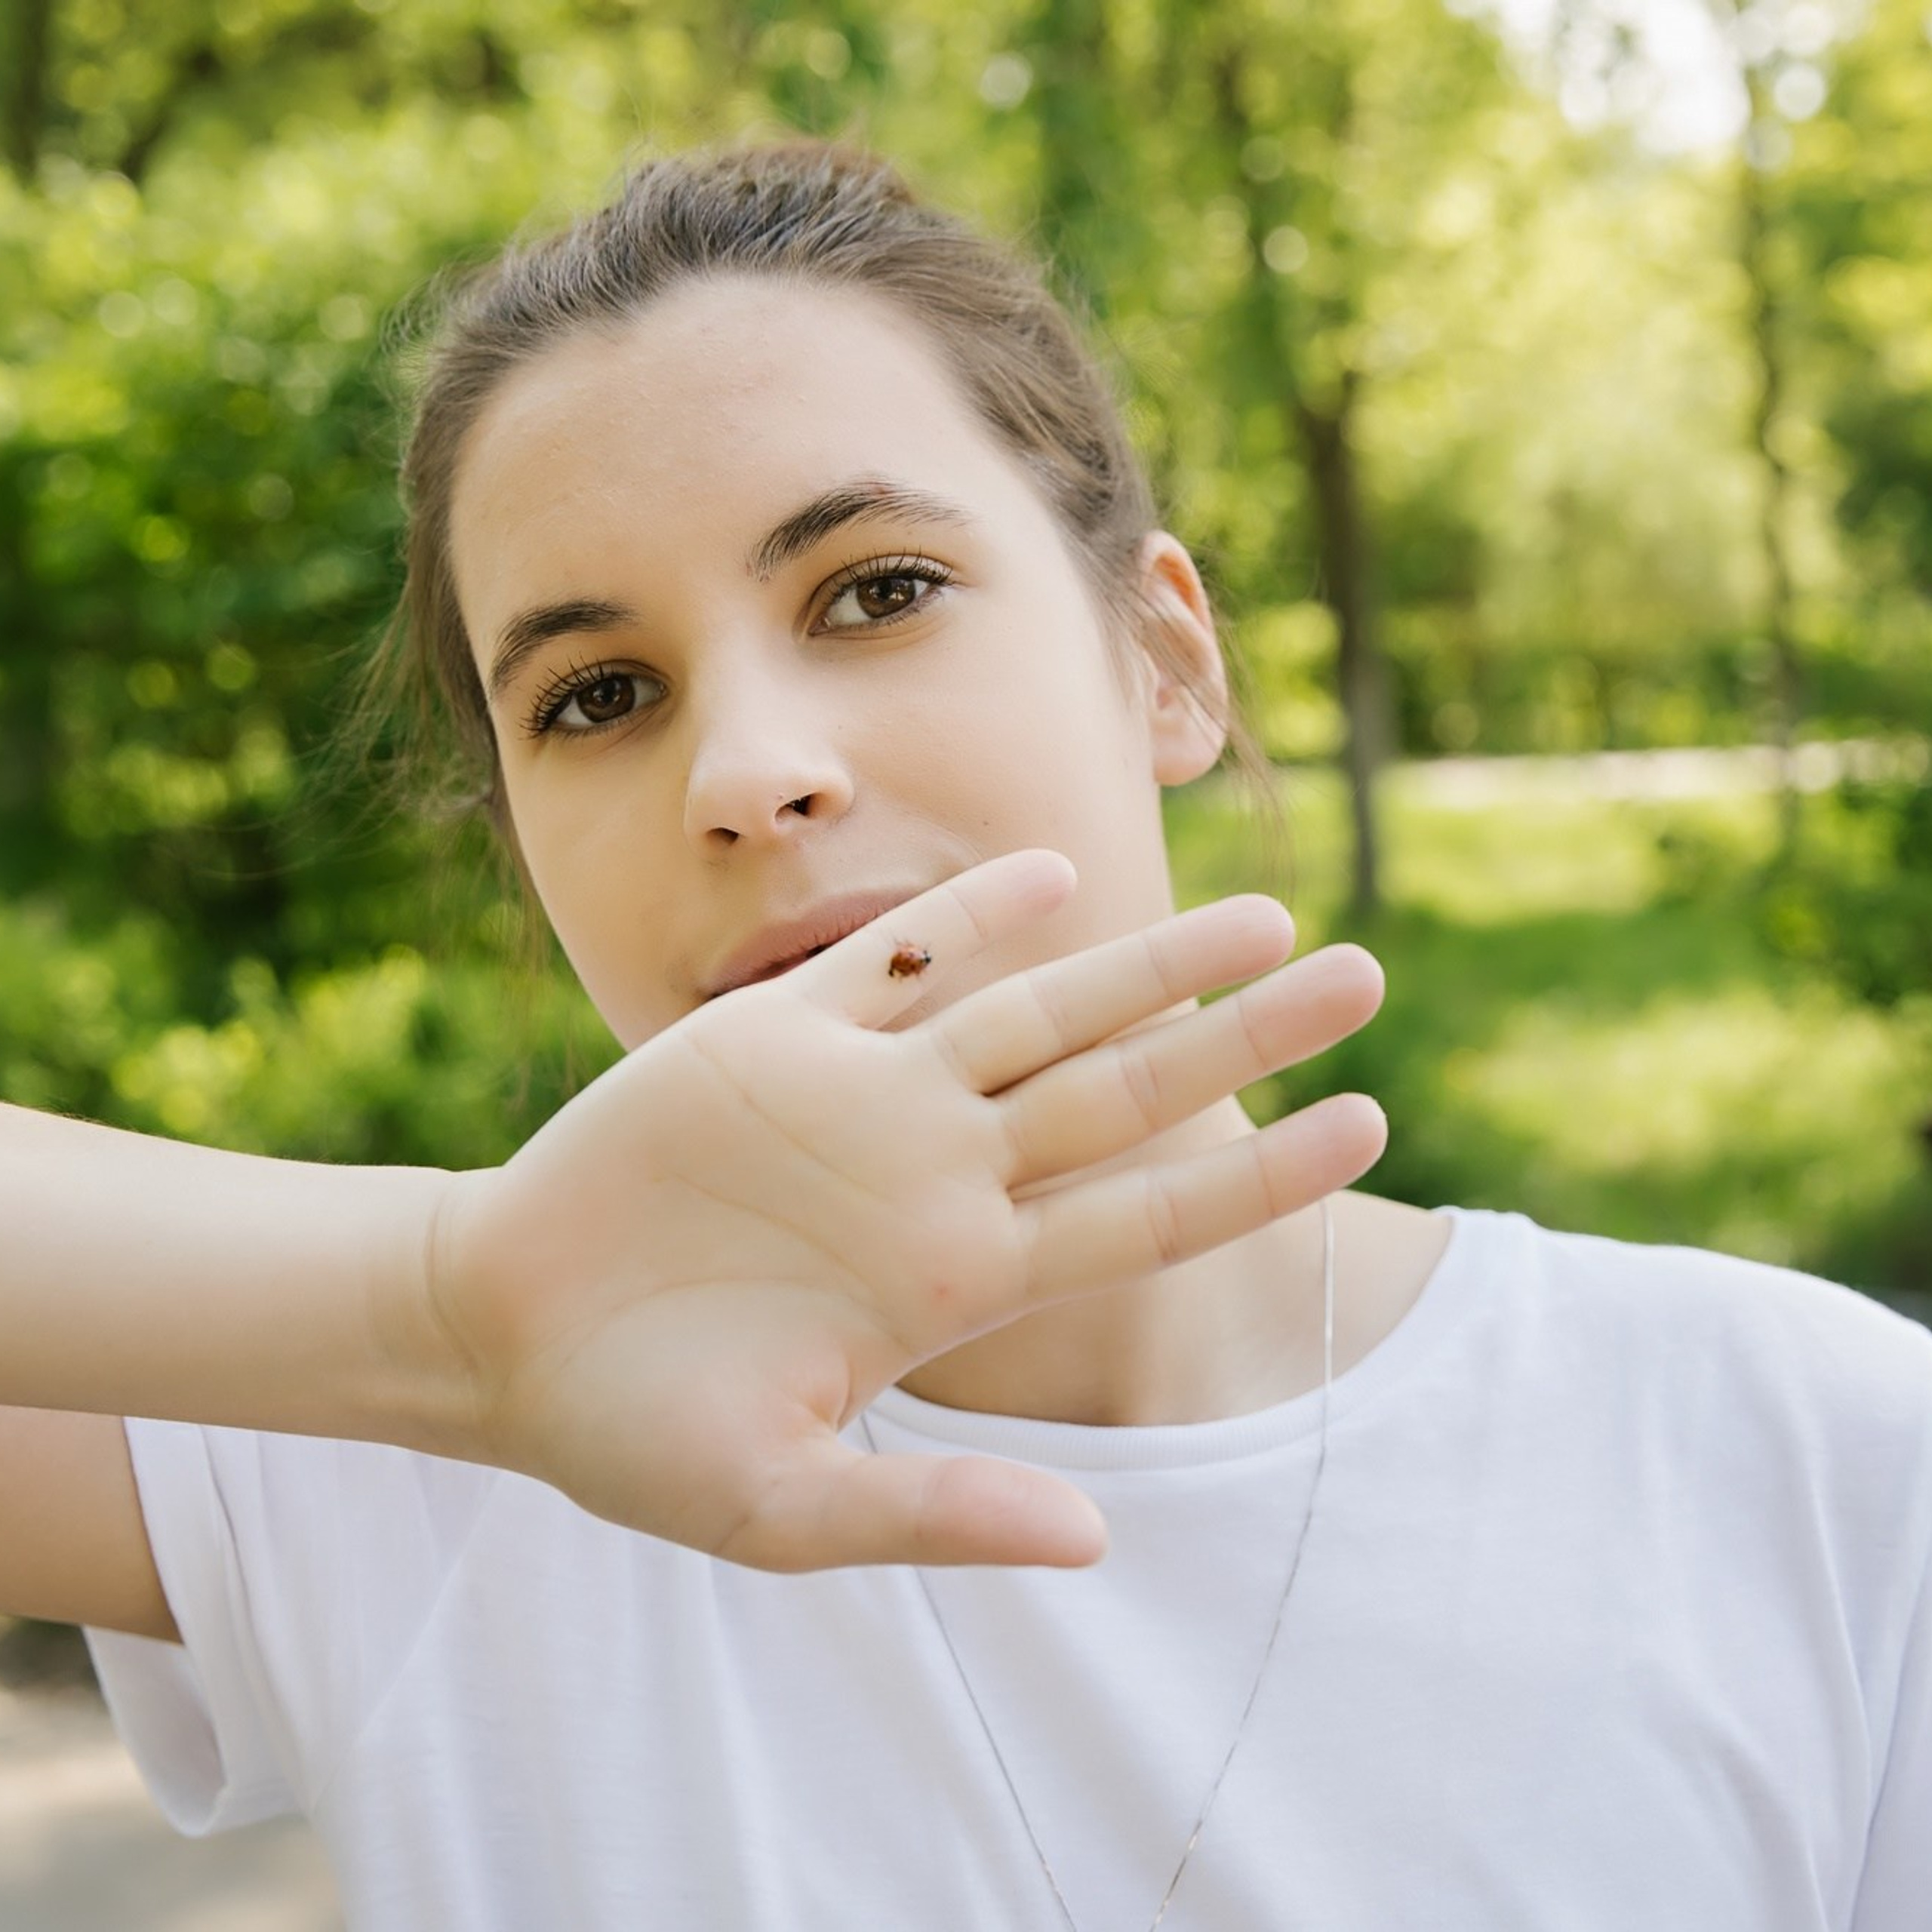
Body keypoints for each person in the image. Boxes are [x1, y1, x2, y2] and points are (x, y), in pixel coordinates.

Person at [5, 139, 1927, 1930]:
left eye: (876, 589)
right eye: (597, 695)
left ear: (1163, 658)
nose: (749, 774)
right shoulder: (410, 1433)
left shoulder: (1810, 1460)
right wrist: (449, 1306)